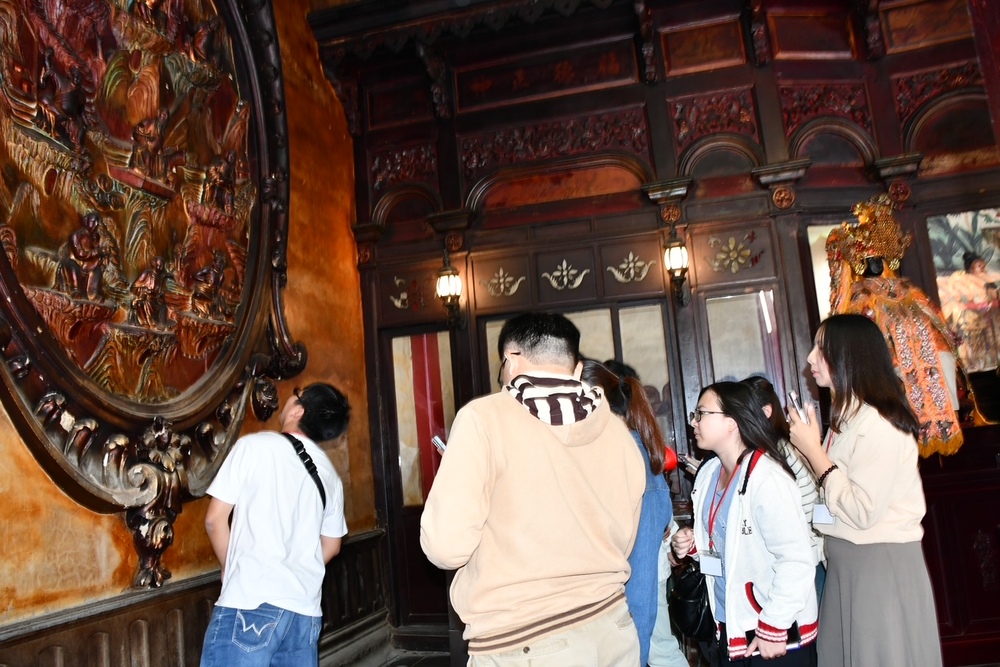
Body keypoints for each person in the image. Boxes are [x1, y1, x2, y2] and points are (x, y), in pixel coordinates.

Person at [420, 312, 646, 665]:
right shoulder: (618, 432)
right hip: (613, 628)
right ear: (577, 368)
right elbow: (625, 538)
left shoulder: (483, 419)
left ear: (510, 361)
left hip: (524, 639)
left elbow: (445, 547)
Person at [786, 314, 942, 666]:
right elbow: (832, 495)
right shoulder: (846, 420)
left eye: (821, 349)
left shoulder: (879, 423)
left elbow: (862, 511)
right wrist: (810, 453)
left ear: (849, 356)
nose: (810, 358)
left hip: (877, 564)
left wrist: (815, 454)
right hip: (847, 563)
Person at [200, 383, 350, 666]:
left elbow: (214, 520)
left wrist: (230, 569)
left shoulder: (254, 446)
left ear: (298, 411)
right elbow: (332, 546)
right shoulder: (330, 475)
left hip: (251, 602)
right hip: (304, 613)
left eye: (296, 394)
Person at [671, 382, 818, 667]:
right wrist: (693, 544)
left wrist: (774, 625)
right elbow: (730, 543)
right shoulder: (709, 472)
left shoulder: (767, 477)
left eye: (701, 413)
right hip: (729, 625)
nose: (693, 422)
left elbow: (796, 559)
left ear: (732, 422)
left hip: (771, 632)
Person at [581, 359, 683, 667]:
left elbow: (639, 578)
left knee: (662, 651)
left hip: (625, 617)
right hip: (607, 619)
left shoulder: (630, 458)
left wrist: (634, 654)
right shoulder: (611, 453)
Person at [741, 376, 824, 598]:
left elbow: (809, 507)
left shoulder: (781, 450)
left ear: (766, 411)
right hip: (800, 557)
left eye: (744, 411)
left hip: (803, 560)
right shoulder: (772, 448)